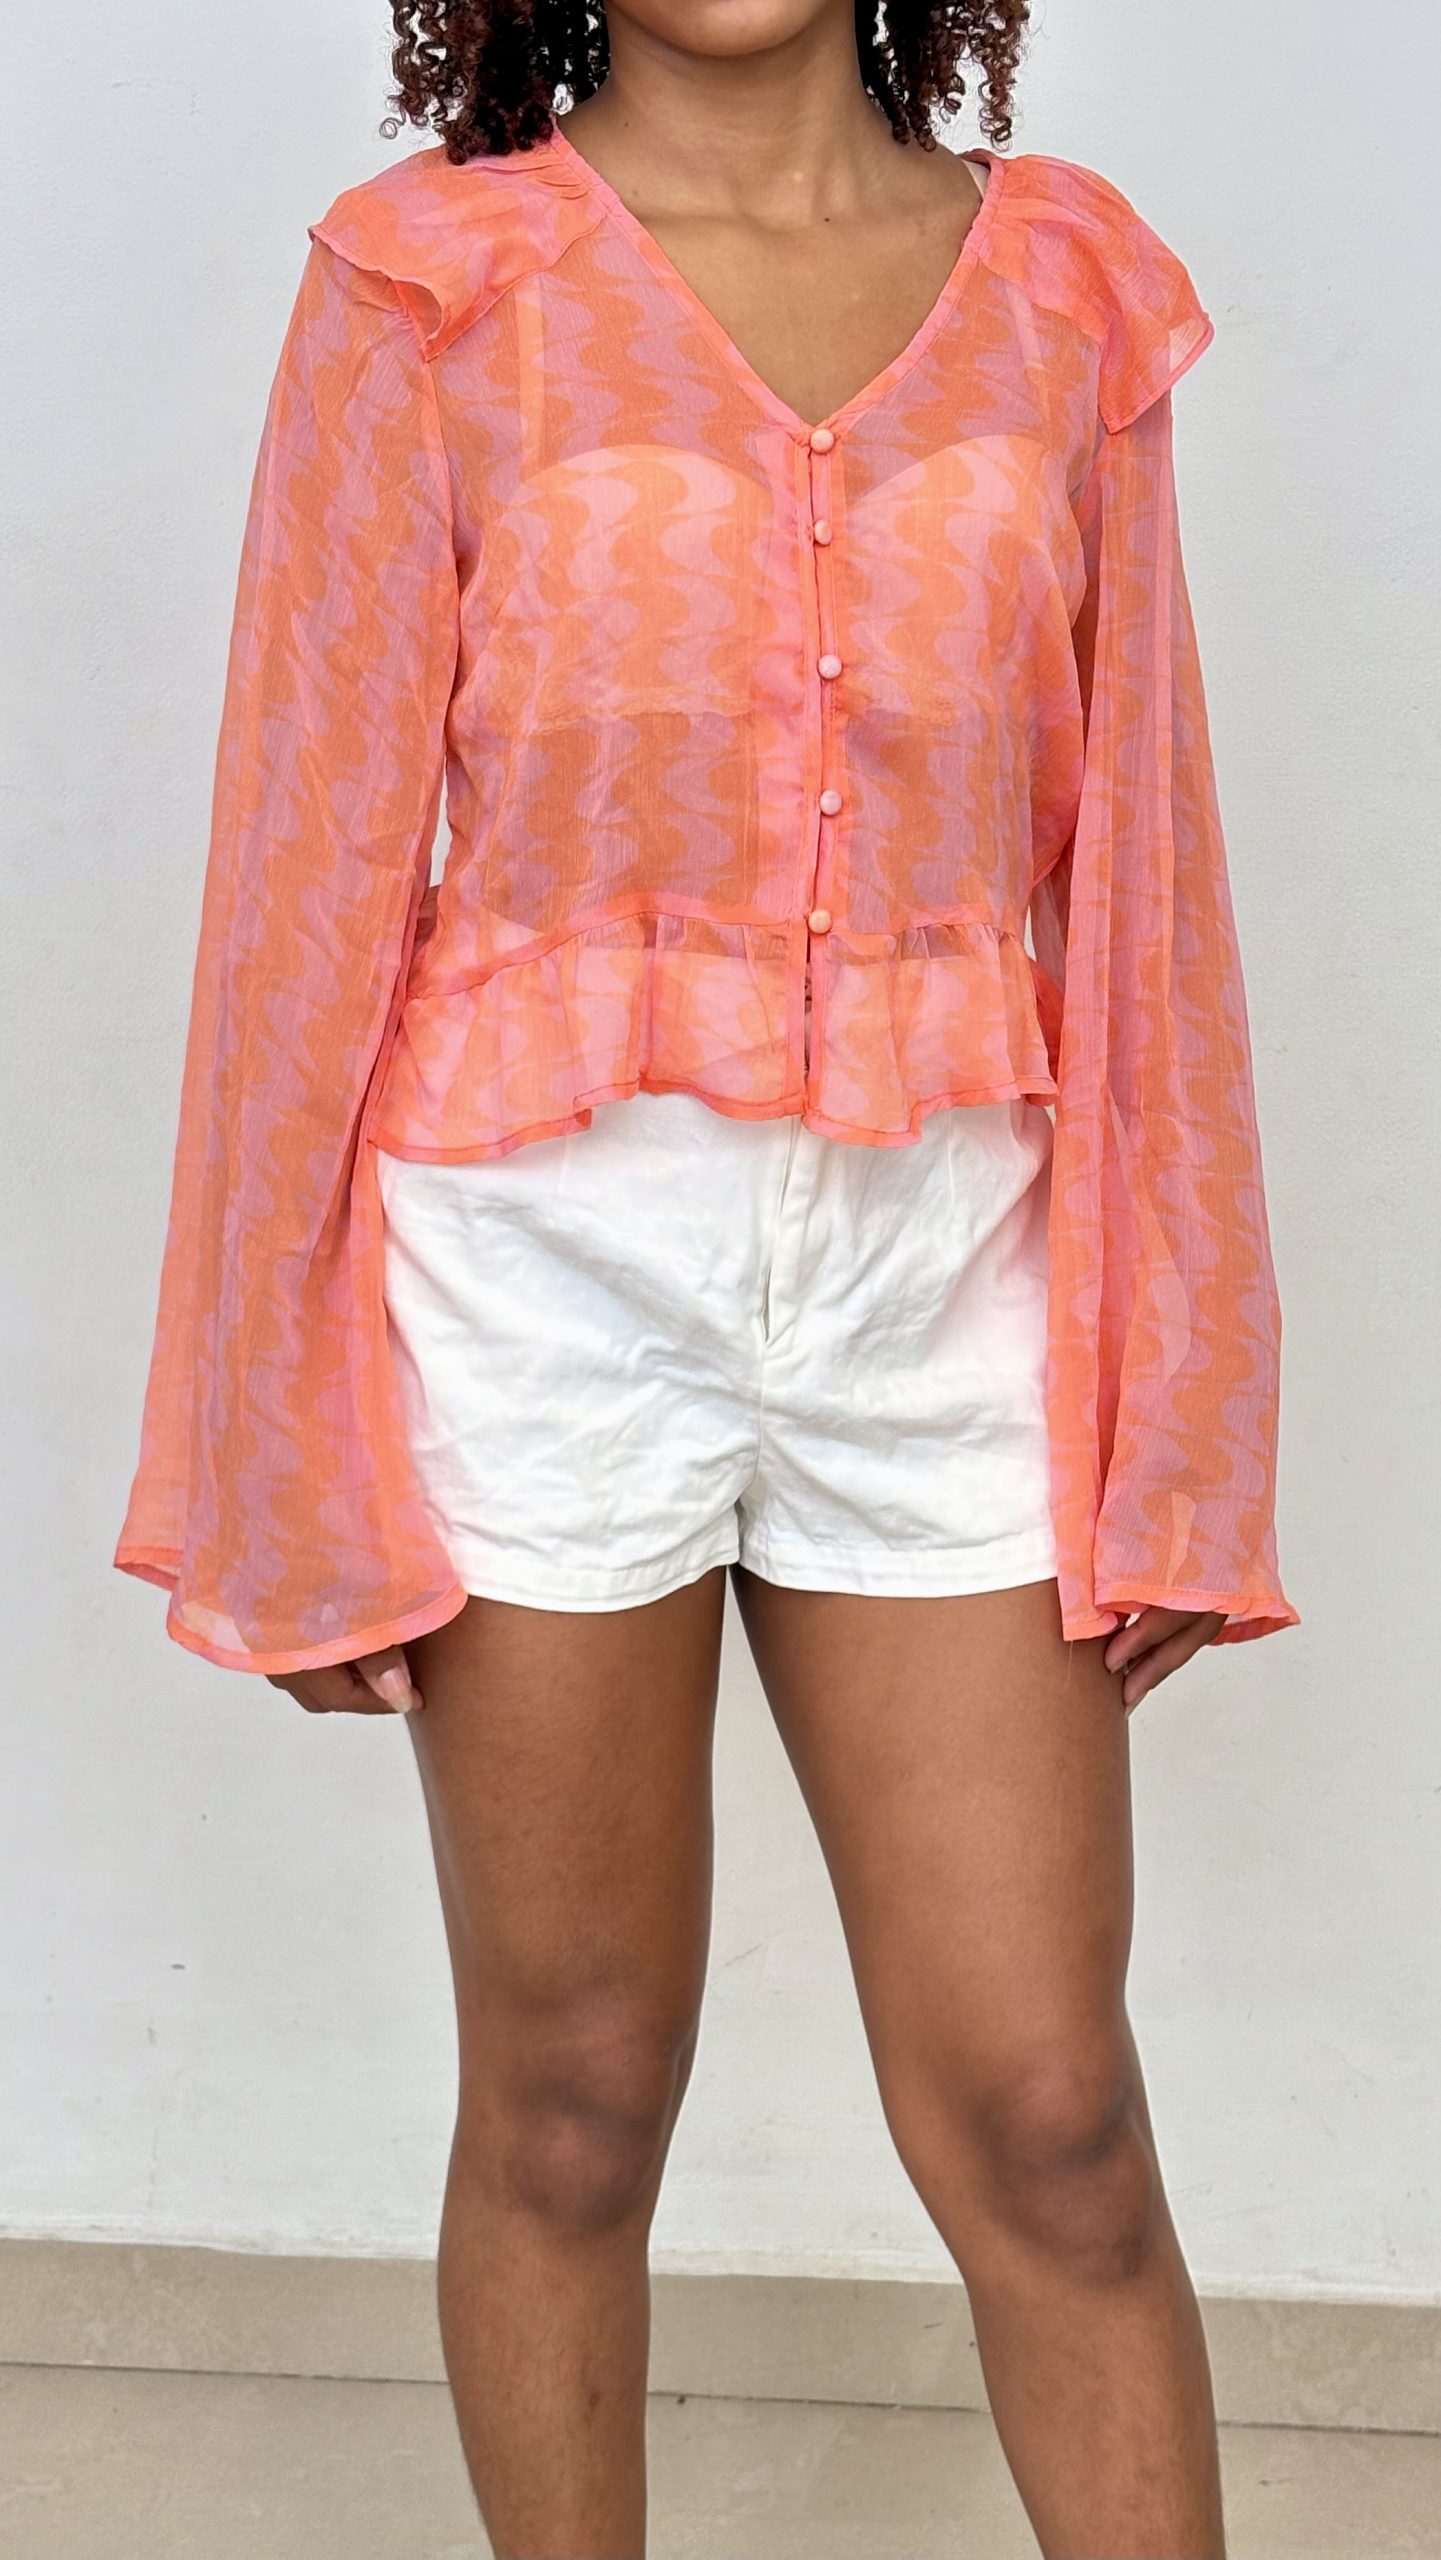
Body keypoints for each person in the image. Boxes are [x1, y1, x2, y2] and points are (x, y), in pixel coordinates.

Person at [117, 0, 1297, 2549]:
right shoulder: (426, 285)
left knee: (1054, 2119)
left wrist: (1180, 1402)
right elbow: (301, 868)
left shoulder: (1064, 285)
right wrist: (265, 1437)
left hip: (947, 1269)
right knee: (572, 2095)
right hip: (536, 1273)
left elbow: (1142, 871)